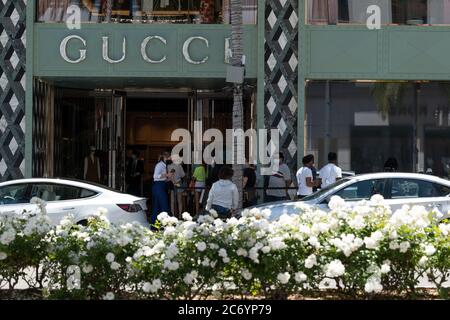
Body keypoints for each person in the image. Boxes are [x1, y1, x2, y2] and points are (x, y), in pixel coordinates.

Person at [151, 151, 173, 227]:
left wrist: (167, 178)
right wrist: (166, 175)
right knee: (164, 206)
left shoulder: (163, 165)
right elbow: (155, 176)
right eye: (170, 158)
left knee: (157, 207)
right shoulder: (160, 165)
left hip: (160, 186)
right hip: (158, 187)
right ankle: (166, 225)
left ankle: (155, 226)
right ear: (165, 157)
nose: (171, 159)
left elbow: (160, 177)